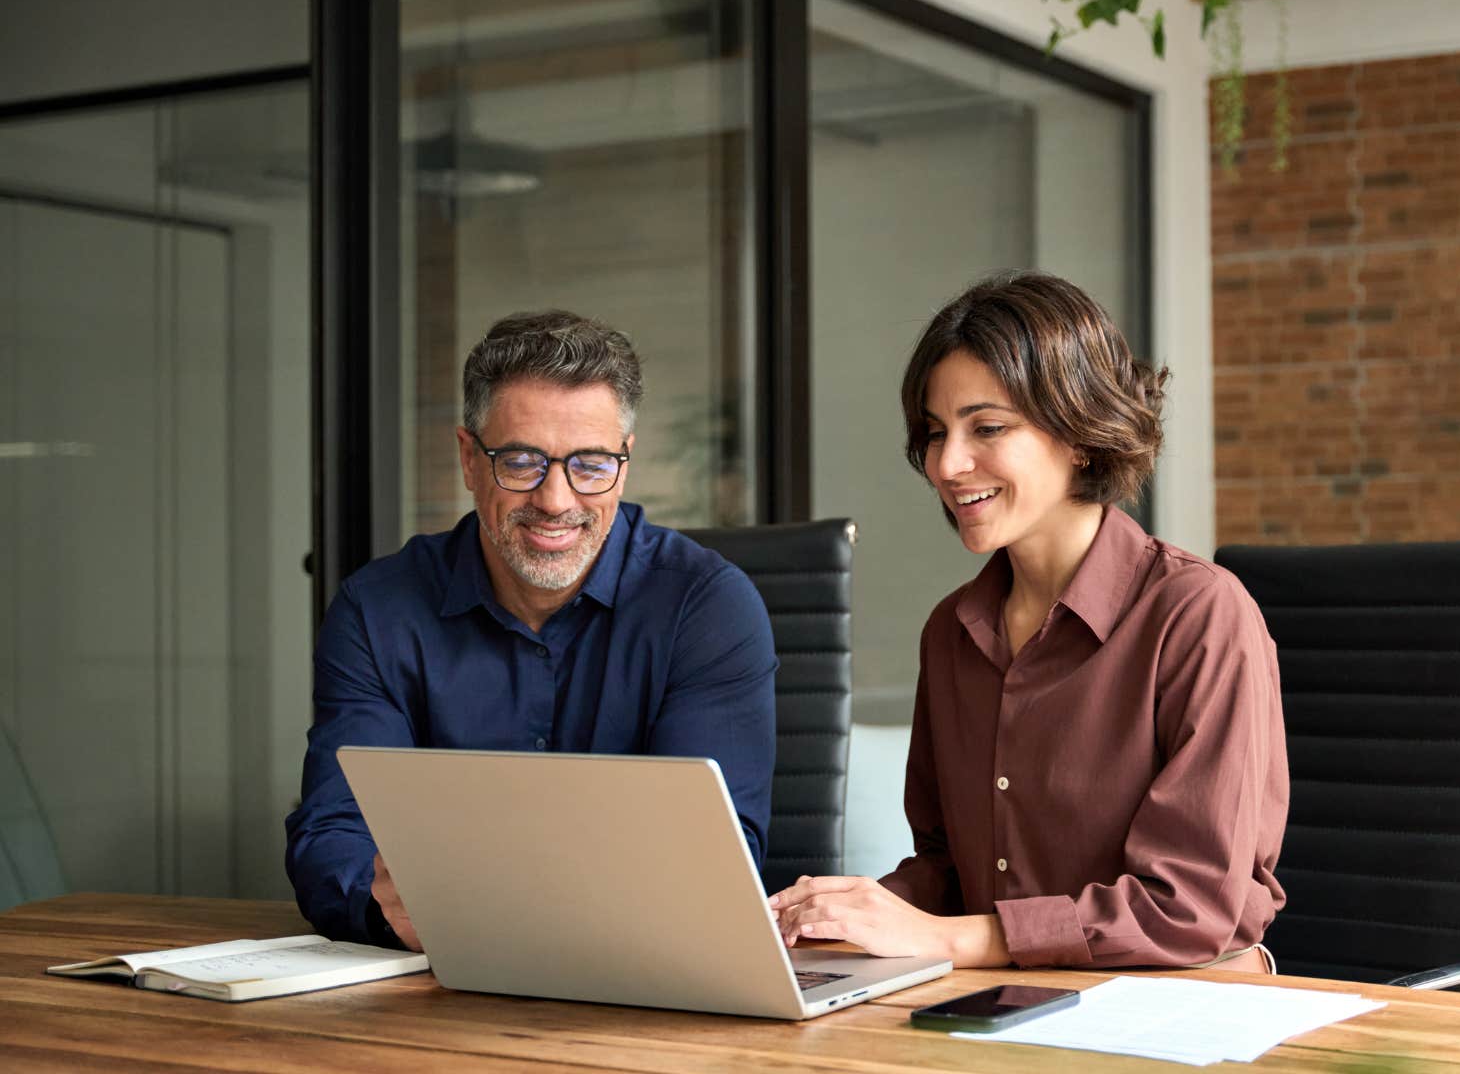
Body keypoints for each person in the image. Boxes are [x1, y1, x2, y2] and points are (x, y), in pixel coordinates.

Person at [769, 273, 1287, 972]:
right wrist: (841, 910)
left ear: (1079, 433)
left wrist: (948, 940)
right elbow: (951, 869)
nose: (948, 464)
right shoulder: (952, 631)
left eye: (987, 427)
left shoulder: (1198, 616)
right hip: (1009, 996)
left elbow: (1186, 907)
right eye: (934, 432)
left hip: (1177, 1003)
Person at [286, 310, 777, 951]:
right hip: (434, 976)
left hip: (645, 980)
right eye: (520, 461)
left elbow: (716, 858)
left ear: (624, 465)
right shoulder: (377, 610)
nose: (556, 499)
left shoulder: (708, 608)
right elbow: (334, 834)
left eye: (591, 464)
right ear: (468, 458)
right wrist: (385, 910)